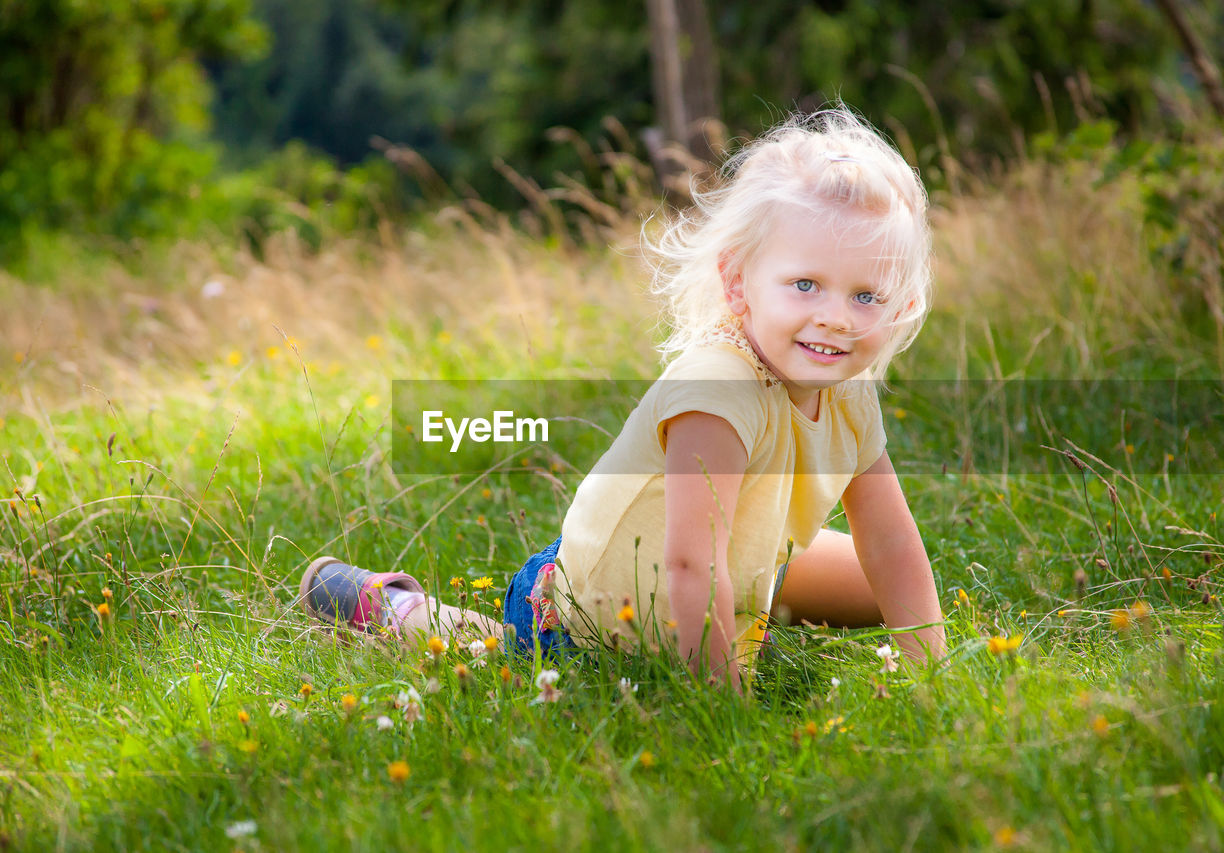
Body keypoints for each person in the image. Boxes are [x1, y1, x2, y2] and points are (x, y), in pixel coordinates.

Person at [301, 105, 947, 689]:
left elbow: (891, 541)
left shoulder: (848, 394)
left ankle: (755, 612)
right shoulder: (719, 390)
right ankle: (395, 607)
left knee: (887, 581)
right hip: (602, 611)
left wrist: (931, 674)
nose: (835, 317)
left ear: (901, 309)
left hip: (734, 568)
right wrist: (723, 709)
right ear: (739, 281)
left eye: (865, 296)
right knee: (506, 656)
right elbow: (693, 565)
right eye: (805, 284)